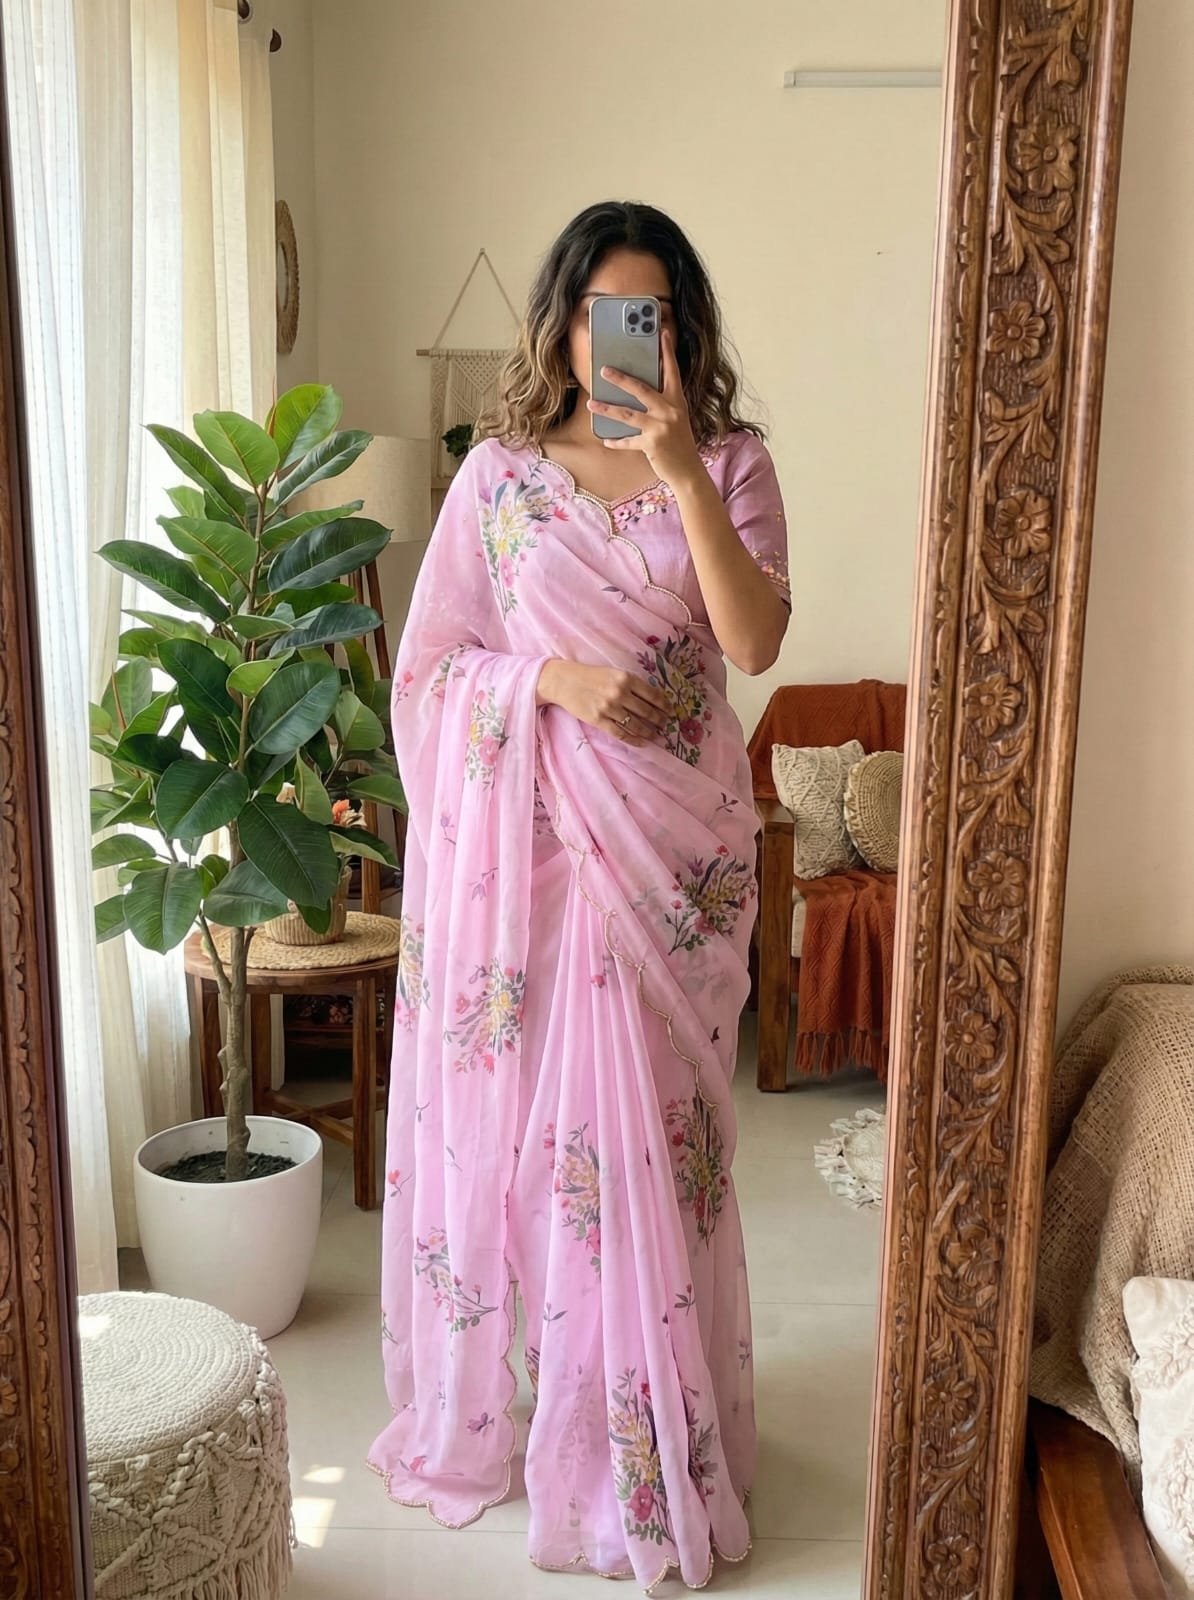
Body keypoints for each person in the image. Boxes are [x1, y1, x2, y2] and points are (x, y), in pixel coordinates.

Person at [369, 200, 790, 1590]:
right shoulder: (497, 480)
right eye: (606, 312)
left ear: (682, 330)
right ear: (560, 327)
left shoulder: (730, 462)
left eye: (651, 315)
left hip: (677, 864)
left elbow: (751, 642)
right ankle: (583, 1431)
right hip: (542, 859)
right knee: (560, 1162)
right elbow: (432, 671)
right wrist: (546, 680)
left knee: (662, 1149)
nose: (627, 339)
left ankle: (660, 1432)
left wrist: (680, 476)